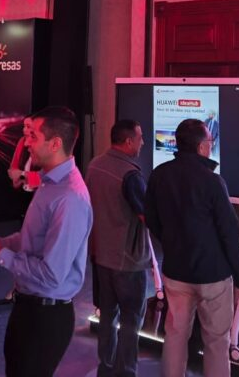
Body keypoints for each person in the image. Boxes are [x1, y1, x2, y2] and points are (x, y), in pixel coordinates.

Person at [0, 106, 92, 377]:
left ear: (55, 143)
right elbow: (29, 241)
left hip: (46, 317)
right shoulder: (49, 183)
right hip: (29, 307)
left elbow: (51, 274)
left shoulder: (69, 197)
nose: (26, 142)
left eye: (33, 136)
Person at [145, 118, 239, 377]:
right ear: (202, 146)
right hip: (213, 276)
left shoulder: (159, 174)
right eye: (210, 142)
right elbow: (229, 233)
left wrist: (171, 242)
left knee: (175, 335)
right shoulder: (213, 181)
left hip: (175, 271)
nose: (211, 146)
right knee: (217, 341)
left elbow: (152, 219)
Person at [86, 119, 149, 377]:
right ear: (128, 141)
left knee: (107, 316)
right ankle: (126, 371)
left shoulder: (94, 165)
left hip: (100, 255)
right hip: (128, 261)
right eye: (140, 138)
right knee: (131, 320)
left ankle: (106, 367)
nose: (143, 143)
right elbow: (146, 216)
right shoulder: (130, 175)